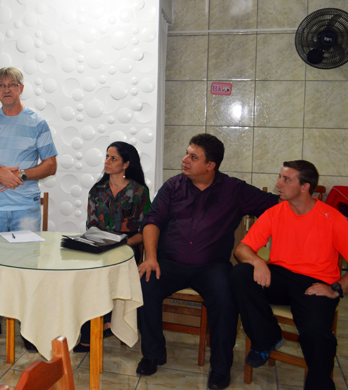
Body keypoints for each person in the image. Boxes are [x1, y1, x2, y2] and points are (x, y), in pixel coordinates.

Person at [136, 133, 278, 390]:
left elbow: (275, 209)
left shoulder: (234, 189)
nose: (184, 160)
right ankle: (153, 354)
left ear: (211, 165)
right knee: (145, 285)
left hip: (212, 266)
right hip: (170, 262)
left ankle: (221, 368)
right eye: (187, 153)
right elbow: (152, 221)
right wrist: (151, 258)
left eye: (193, 157)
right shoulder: (173, 186)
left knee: (226, 297)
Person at [231, 161, 348, 390]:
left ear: (305, 187)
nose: (278, 184)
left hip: (315, 284)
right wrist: (257, 262)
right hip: (280, 277)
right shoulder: (275, 212)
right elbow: (241, 249)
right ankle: (267, 338)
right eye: (280, 177)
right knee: (240, 274)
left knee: (316, 334)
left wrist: (336, 289)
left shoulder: (332, 218)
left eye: (286, 179)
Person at [0, 66, 58, 346]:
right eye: (0, 85)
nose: (6, 89)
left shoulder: (37, 122)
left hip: (25, 209)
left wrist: (20, 175)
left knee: (27, 268)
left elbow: (51, 165)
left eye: (11, 84)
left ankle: (29, 327)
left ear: (21, 88)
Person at [76, 141, 151, 351]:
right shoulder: (97, 190)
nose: (107, 162)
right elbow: (90, 225)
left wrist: (122, 242)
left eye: (113, 158)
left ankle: (103, 325)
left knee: (106, 272)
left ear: (126, 164)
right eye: (107, 157)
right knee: (86, 273)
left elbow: (146, 230)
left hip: (127, 249)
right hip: (99, 247)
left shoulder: (139, 192)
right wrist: (97, 242)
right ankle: (97, 324)